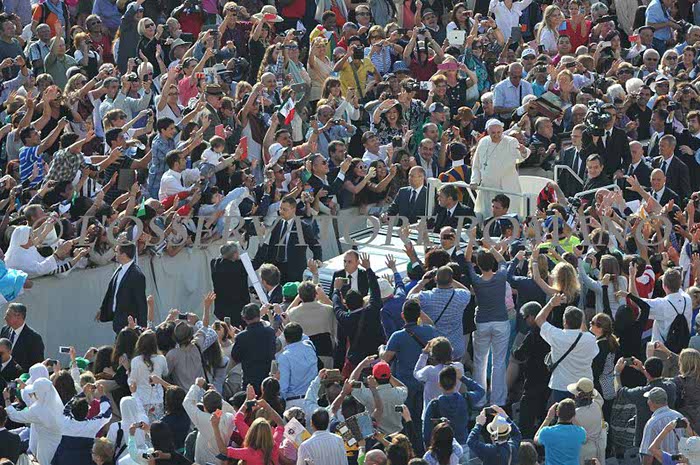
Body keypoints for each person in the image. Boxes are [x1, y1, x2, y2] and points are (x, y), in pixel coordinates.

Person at [535, 294, 599, 402]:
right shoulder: (590, 339)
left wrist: (551, 304)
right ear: (581, 322)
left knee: (562, 412)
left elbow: (539, 319)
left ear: (564, 322)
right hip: (584, 386)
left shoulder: (556, 336)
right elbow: (594, 353)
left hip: (561, 386)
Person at [333, 253, 385, 376]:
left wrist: (336, 290)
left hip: (358, 363)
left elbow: (336, 307)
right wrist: (369, 269)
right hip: (377, 358)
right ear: (362, 301)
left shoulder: (346, 318)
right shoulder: (372, 310)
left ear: (346, 305)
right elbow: (375, 292)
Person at [253, 196, 323, 283]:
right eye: (280, 209)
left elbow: (315, 246)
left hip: (295, 271)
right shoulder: (277, 223)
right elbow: (272, 246)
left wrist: (317, 260)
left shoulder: (303, 227)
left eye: (284, 209)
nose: (281, 212)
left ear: (293, 209)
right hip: (277, 270)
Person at [409, 266, 471, 362]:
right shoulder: (461, 296)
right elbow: (466, 290)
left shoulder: (426, 297)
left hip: (435, 348)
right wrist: (450, 279)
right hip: (456, 347)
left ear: (435, 279)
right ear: (451, 280)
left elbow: (409, 298)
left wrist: (422, 282)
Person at [614, 356, 677, 447]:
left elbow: (619, 392)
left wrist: (617, 373)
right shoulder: (671, 387)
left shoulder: (640, 393)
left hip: (646, 439)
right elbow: (660, 379)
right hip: (668, 436)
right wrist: (643, 369)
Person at [470, 119, 530, 215]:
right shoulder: (483, 142)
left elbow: (520, 157)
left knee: (508, 215)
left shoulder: (511, 141)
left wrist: (523, 151)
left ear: (502, 130)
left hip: (506, 188)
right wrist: (474, 180)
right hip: (488, 188)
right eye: (493, 133)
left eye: (499, 132)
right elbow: (476, 165)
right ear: (488, 131)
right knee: (488, 215)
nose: (496, 135)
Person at [4, 378, 63, 465]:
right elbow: (38, 400)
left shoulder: (38, 410)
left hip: (46, 448)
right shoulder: (56, 403)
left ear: (39, 393)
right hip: (60, 444)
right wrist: (25, 387)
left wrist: (7, 399)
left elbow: (15, 416)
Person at [98, 241, 148, 334]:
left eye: (117, 252)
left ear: (124, 255)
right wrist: (103, 309)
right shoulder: (119, 270)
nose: (115, 254)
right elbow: (112, 292)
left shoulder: (137, 275)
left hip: (128, 323)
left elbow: (141, 302)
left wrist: (142, 328)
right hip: (117, 319)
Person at [183, 378, 235, 465]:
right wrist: (215, 395)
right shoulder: (230, 417)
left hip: (204, 462)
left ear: (204, 407)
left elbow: (187, 403)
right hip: (221, 462)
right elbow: (228, 410)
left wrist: (197, 386)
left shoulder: (204, 419)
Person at [350, 357, 408, 435]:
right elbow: (403, 387)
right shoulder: (399, 393)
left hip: (377, 437)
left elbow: (351, 383)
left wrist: (361, 365)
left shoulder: (368, 394)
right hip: (397, 436)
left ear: (373, 377)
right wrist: (388, 375)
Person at [230, 304, 277, 393]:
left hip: (250, 380)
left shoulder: (241, 337)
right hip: (268, 379)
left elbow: (235, 357)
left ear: (244, 318)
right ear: (259, 315)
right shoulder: (270, 332)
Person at [277, 322, 319, 408]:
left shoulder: (284, 357)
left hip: (293, 403)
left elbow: (283, 387)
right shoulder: (310, 347)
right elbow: (304, 337)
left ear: (285, 338)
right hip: (313, 400)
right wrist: (288, 323)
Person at [639, 387, 687, 462]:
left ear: (651, 402)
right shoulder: (679, 416)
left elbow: (648, 454)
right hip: (683, 462)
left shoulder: (652, 423)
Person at [535, 399, 586, 465]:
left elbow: (536, 439)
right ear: (574, 414)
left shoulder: (547, 432)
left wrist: (548, 418)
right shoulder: (580, 432)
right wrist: (573, 417)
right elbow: (585, 439)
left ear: (557, 413)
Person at [210, 242, 251, 326]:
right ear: (235, 254)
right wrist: (263, 245)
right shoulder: (240, 266)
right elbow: (256, 262)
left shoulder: (214, 264)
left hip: (221, 308)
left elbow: (221, 257)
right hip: (238, 308)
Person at [567, 378, 606, 464]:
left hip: (583, 450)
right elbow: (597, 395)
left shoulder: (574, 415)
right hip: (600, 446)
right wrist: (588, 388)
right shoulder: (598, 403)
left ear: (577, 395)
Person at [1, 303, 44, 372]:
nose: (5, 318)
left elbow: (36, 365)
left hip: (21, 377)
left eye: (8, 315)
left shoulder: (34, 338)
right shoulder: (4, 330)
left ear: (19, 316)